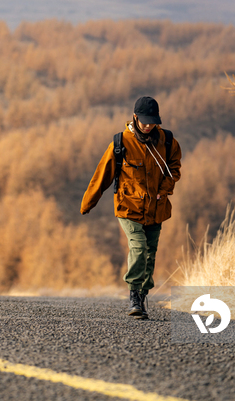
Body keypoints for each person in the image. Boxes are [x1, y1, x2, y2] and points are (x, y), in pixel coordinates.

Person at [80, 96, 181, 319]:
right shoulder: (120, 143)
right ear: (135, 117)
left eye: (152, 121)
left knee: (150, 254)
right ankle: (134, 294)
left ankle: (142, 297)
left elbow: (174, 167)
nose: (148, 125)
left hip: (157, 208)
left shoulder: (167, 141)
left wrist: (164, 188)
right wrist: (88, 203)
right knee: (139, 246)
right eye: (144, 121)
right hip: (129, 208)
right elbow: (101, 176)